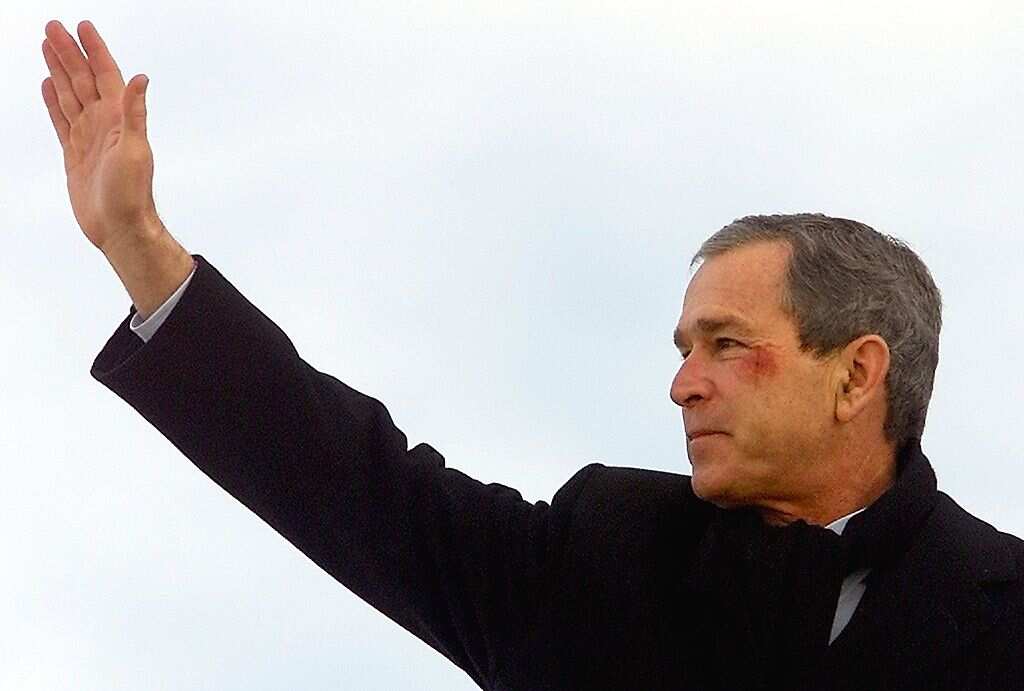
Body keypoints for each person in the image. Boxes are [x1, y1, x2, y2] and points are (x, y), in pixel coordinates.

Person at [41, 19, 1024, 691]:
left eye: (727, 345)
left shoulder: (1004, 610)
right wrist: (143, 252)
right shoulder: (603, 550)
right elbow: (352, 485)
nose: (683, 383)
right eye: (684, 347)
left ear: (855, 374)